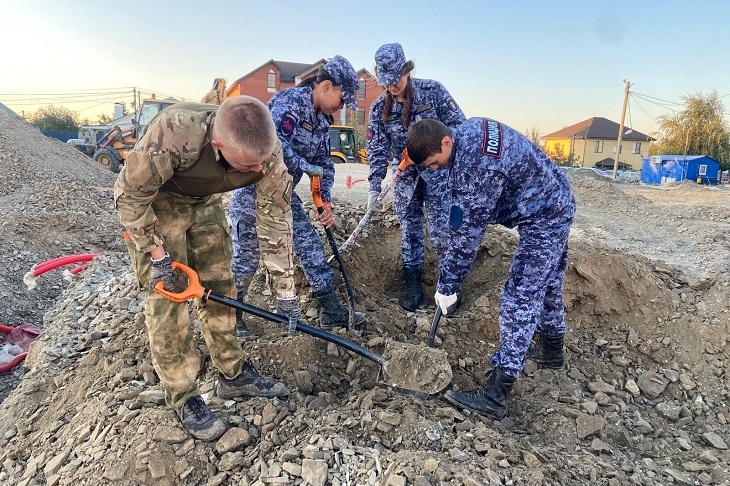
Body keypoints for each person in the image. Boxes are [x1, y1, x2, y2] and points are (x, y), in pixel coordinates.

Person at [115, 96, 298, 441]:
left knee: (219, 287)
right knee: (168, 298)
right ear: (218, 144)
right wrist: (156, 253)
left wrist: (285, 289)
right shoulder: (172, 134)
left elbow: (275, 218)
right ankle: (183, 395)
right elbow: (130, 195)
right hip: (159, 203)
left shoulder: (265, 150)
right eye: (248, 166)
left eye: (261, 163)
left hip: (207, 202)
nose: (257, 172)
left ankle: (233, 373)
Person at [405, 118, 576, 420]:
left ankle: (496, 395)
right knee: (547, 282)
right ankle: (552, 352)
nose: (433, 169)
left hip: (545, 215)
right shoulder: (467, 130)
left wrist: (446, 285)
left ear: (445, 143)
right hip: (555, 197)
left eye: (433, 163)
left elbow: (467, 240)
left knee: (519, 297)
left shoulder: (476, 168)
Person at [229, 56, 365, 332]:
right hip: (254, 191)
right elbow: (272, 146)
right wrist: (306, 166)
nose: (340, 108)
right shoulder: (288, 103)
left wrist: (322, 199)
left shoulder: (321, 121)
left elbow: (325, 164)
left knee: (310, 245)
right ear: (326, 86)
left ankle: (330, 309)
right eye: (341, 99)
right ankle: (233, 315)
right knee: (247, 257)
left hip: (284, 194)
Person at [366, 43, 466, 312]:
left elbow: (459, 127)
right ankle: (413, 285)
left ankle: (449, 288)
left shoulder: (433, 92)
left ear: (406, 70)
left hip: (438, 176)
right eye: (386, 82)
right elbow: (376, 148)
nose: (392, 86)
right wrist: (374, 186)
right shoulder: (378, 109)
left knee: (442, 233)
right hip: (405, 182)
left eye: (396, 79)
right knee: (410, 233)